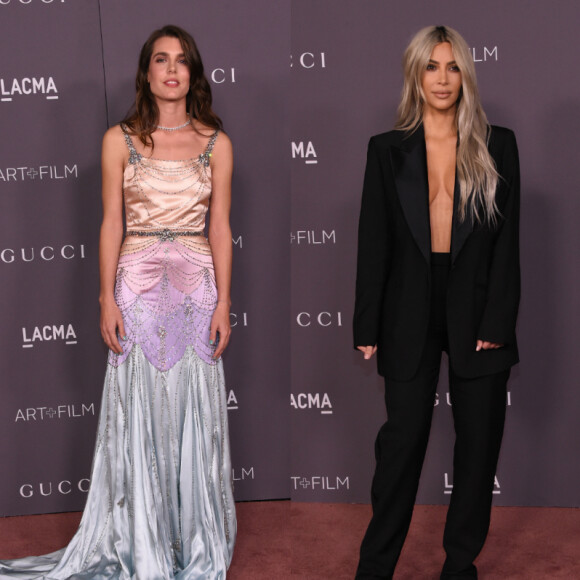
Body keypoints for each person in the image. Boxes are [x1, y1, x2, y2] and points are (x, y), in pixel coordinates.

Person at [0, 25, 236, 579]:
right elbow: (111, 223)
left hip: (197, 289)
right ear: (147, 73)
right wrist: (106, 296)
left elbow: (220, 227)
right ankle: (138, 538)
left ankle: (192, 540)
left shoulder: (217, 143)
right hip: (136, 286)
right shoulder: (119, 140)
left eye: (182, 61)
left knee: (193, 412)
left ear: (192, 73)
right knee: (138, 410)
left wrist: (225, 301)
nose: (172, 70)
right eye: (161, 60)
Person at [353, 26, 520, 580]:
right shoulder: (386, 149)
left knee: (478, 449)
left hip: (477, 307)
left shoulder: (499, 145)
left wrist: (498, 318)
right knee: (401, 445)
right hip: (407, 310)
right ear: (415, 75)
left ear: (465, 74)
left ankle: (459, 566)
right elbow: (373, 241)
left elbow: (507, 242)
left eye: (451, 67)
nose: (442, 79)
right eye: (431, 67)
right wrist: (366, 322)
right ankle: (375, 567)